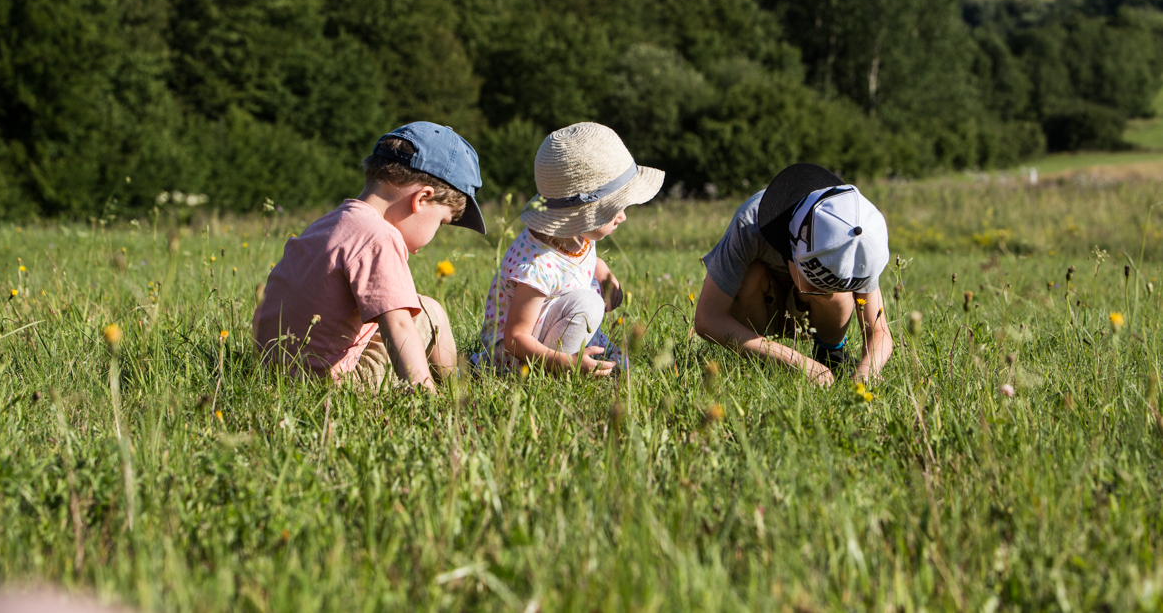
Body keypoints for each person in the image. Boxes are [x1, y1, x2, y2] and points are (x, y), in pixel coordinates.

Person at [255, 122, 486, 392]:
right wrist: (426, 397)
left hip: (273, 374)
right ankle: (454, 388)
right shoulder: (379, 236)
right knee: (428, 312)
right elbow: (398, 325)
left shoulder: (329, 224)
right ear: (422, 199)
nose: (438, 232)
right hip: (331, 387)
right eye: (442, 222)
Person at [474, 122, 664, 377]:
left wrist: (603, 273)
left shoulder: (575, 234)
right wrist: (566, 363)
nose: (622, 217)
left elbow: (583, 258)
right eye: (614, 209)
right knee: (589, 303)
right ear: (579, 215)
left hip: (550, 333)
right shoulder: (536, 266)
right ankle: (558, 373)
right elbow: (515, 338)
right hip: (521, 357)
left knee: (619, 361)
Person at [693, 163, 893, 386]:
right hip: (759, 307)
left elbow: (879, 330)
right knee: (752, 275)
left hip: (811, 323)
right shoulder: (750, 224)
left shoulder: (860, 239)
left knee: (837, 297)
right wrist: (793, 360)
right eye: (812, 287)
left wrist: (864, 376)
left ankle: (830, 355)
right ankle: (759, 358)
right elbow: (706, 319)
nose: (820, 294)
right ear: (792, 253)